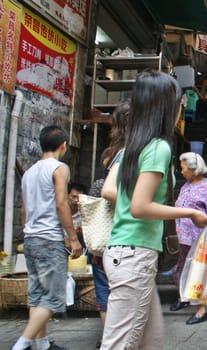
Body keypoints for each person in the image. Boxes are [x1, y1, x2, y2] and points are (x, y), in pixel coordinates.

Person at [99, 70, 207, 349]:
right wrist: (190, 213)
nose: (181, 109)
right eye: (180, 102)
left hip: (128, 254)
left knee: (151, 341)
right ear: (166, 106)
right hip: (134, 256)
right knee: (120, 344)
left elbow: (119, 194)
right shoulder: (158, 147)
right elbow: (140, 207)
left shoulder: (132, 146)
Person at [12, 126, 82, 350]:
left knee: (37, 296)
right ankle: (21, 345)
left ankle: (41, 345)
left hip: (31, 239)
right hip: (49, 239)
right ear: (63, 145)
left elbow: (24, 209)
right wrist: (72, 237)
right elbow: (61, 203)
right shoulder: (59, 168)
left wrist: (29, 231)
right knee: (52, 298)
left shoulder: (30, 172)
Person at [87, 101, 130, 349]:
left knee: (105, 292)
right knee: (120, 293)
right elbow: (108, 191)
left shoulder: (109, 153)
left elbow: (100, 189)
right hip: (120, 233)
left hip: (101, 237)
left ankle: (107, 338)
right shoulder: (130, 154)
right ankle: (115, 341)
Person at [169, 152, 207, 325]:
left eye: (184, 167)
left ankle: (201, 310)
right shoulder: (186, 185)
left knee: (197, 273)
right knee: (179, 269)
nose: (181, 170)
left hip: (198, 238)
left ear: (194, 168)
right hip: (183, 237)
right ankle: (184, 297)